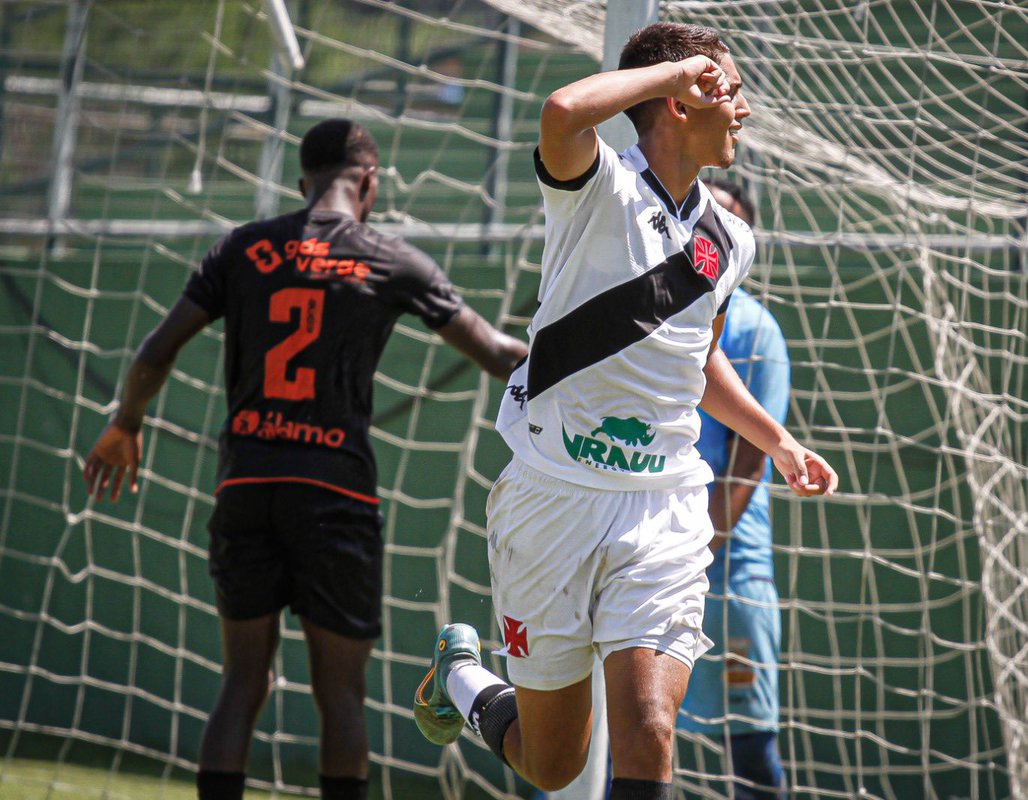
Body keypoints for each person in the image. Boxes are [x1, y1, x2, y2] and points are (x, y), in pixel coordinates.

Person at [413, 22, 838, 800]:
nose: (743, 111)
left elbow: (694, 357)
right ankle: (464, 680)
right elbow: (562, 110)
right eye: (731, 92)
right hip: (554, 499)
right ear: (681, 101)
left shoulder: (731, 239)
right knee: (555, 763)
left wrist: (776, 441)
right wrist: (669, 77)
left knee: (648, 729)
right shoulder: (598, 185)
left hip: (664, 504)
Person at [82, 118, 527, 800]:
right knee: (341, 696)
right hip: (335, 496)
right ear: (370, 183)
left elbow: (157, 350)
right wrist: (596, 362)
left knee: (241, 683)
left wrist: (126, 425)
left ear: (302, 182)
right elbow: (498, 354)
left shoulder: (243, 248)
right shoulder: (390, 258)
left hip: (248, 485)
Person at [677, 180, 789, 799]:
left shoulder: (757, 333)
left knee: (751, 749)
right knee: (630, 732)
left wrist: (689, 554)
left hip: (726, 569)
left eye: (726, 217)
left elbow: (749, 467)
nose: (711, 225)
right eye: (704, 211)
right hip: (649, 556)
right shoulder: (654, 311)